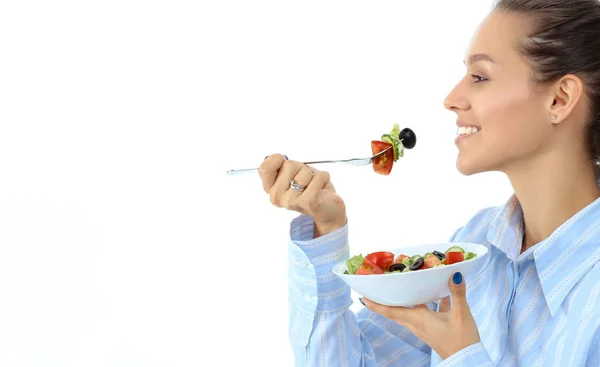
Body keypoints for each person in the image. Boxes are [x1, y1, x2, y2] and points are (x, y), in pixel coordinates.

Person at [258, 0, 600, 365]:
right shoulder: (476, 245)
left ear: (559, 98)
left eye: (480, 77)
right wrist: (327, 227)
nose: (452, 100)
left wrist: (464, 356)